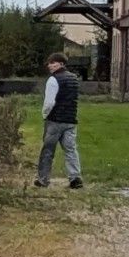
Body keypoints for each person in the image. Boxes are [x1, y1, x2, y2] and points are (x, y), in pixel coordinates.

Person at [36, 52, 82, 189]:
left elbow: (49, 102)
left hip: (55, 120)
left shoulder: (53, 80)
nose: (50, 65)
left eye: (53, 63)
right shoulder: (74, 78)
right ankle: (75, 178)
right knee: (71, 150)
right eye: (49, 63)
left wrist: (45, 115)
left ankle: (43, 179)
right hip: (71, 120)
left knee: (48, 151)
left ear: (61, 64)